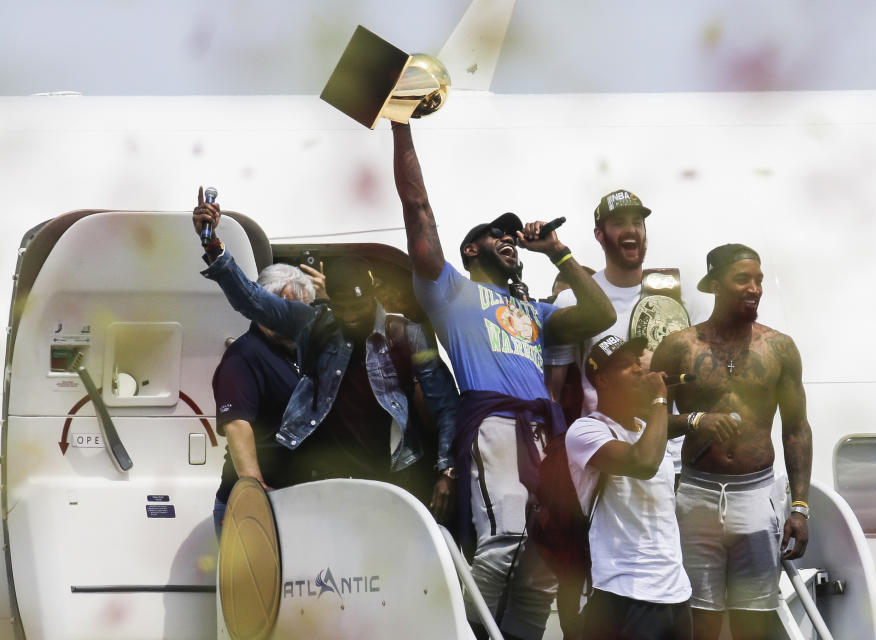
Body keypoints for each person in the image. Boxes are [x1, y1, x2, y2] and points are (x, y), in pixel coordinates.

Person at [390, 121, 616, 640]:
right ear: (471, 250)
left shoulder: (535, 310)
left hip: (541, 432)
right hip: (493, 424)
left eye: (513, 236)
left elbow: (600, 313)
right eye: (498, 234)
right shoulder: (450, 292)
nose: (510, 240)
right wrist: (402, 128)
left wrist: (556, 249)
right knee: (505, 544)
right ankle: (464, 631)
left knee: (544, 557)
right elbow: (417, 210)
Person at [192, 193, 461, 523]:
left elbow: (445, 403)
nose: (349, 316)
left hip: (386, 477)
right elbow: (252, 300)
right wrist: (214, 247)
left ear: (373, 290)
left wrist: (448, 469)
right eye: (342, 307)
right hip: (321, 478)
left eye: (358, 306)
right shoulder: (316, 322)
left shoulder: (406, 334)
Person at [650, 244, 813, 640]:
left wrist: (800, 507)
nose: (754, 288)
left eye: (758, 280)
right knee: (699, 621)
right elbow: (643, 420)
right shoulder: (679, 347)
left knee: (753, 622)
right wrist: (695, 420)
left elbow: (796, 429)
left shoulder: (780, 348)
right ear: (716, 285)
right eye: (743, 279)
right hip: (697, 496)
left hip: (756, 496)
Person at [544, 190, 706, 481]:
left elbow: (709, 375)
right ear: (599, 234)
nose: (631, 229)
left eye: (637, 222)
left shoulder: (682, 294)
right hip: (612, 455)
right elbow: (553, 393)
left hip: (680, 460)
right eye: (618, 222)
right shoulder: (571, 301)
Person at [566, 335, 692, 640]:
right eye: (626, 365)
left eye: (639, 361)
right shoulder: (586, 430)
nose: (639, 370)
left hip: (676, 593)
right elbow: (643, 464)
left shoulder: (650, 430)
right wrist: (660, 399)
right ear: (603, 381)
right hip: (624, 594)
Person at [211, 262, 316, 538]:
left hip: (296, 500)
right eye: (287, 309)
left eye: (303, 309)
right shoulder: (244, 355)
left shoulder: (301, 351)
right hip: (258, 503)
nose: (294, 318)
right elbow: (237, 425)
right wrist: (254, 488)